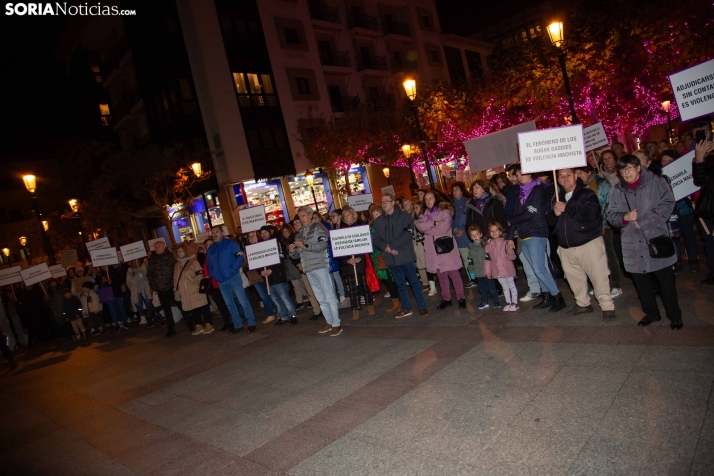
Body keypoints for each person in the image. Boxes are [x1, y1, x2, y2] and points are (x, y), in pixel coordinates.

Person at [606, 154, 682, 329]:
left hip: (655, 239)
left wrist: (646, 220)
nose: (626, 172)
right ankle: (652, 313)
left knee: (666, 283)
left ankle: (674, 315)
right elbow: (611, 215)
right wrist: (624, 217)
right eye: (623, 169)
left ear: (639, 168)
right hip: (632, 243)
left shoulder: (656, 182)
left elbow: (668, 203)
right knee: (642, 284)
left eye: (630, 168)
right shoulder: (617, 190)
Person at [549, 169, 616, 320]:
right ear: (557, 180)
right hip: (566, 247)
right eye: (561, 176)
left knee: (599, 276)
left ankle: (607, 306)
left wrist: (568, 208)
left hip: (588, 243)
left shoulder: (586, 193)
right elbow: (551, 222)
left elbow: (592, 214)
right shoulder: (557, 197)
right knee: (574, 278)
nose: (564, 179)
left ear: (575, 176)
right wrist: (554, 214)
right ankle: (583, 303)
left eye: (568, 175)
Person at [506, 164, 567, 312]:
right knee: (535, 268)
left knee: (540, 269)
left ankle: (558, 297)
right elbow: (515, 213)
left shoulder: (539, 190)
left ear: (531, 174)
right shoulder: (520, 192)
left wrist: (512, 220)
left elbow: (530, 212)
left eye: (522, 173)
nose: (519, 177)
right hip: (523, 235)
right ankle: (547, 296)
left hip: (536, 233)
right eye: (517, 174)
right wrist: (509, 237)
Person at [373, 193, 428, 318]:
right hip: (391, 258)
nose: (384, 204)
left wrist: (392, 246)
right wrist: (385, 247)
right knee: (400, 284)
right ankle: (406, 308)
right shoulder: (379, 221)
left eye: (386, 201)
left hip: (404, 255)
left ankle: (422, 306)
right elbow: (375, 238)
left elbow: (407, 234)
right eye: (382, 202)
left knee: (414, 281)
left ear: (393, 202)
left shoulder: (404, 216)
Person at [289, 206, 342, 336]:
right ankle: (329, 321)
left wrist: (306, 246)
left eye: (303, 216)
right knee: (320, 298)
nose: (301, 219)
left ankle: (336, 323)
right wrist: (292, 251)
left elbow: (323, 245)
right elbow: (296, 256)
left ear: (310, 215)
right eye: (299, 216)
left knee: (329, 296)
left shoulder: (318, 227)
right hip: (308, 269)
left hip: (320, 266)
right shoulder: (299, 233)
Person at [574, 165, 622, 298]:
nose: (577, 176)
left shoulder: (601, 183)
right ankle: (600, 285)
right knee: (595, 259)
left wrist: (601, 220)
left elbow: (611, 203)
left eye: (580, 172)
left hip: (604, 225)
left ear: (588, 172)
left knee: (608, 255)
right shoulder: (580, 188)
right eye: (575, 173)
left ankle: (616, 285)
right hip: (588, 228)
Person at [416, 190, 466, 310]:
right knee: (441, 275)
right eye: (426, 199)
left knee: (453, 274)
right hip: (433, 250)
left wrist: (429, 229)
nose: (428, 201)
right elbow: (419, 226)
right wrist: (433, 223)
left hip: (445, 248)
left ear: (436, 199)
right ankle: (446, 299)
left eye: (430, 198)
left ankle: (461, 298)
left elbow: (445, 226)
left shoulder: (444, 211)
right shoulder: (424, 214)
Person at [206, 225, 257, 334]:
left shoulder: (230, 244)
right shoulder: (211, 248)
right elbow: (209, 263)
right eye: (213, 232)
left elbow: (240, 257)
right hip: (221, 281)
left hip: (233, 278)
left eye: (216, 232)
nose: (214, 234)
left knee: (242, 300)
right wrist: (213, 274)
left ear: (222, 233)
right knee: (229, 303)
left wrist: (232, 270)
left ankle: (251, 322)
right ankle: (238, 324)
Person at [661, 150, 700, 272]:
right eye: (664, 161)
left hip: (684, 210)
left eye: (669, 161)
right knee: (674, 237)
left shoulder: (682, 172)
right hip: (670, 213)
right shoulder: (660, 177)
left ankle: (693, 260)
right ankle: (676, 261)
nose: (667, 163)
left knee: (689, 236)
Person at [337, 206, 374, 320]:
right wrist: (347, 260)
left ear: (353, 215)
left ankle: (369, 304)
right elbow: (339, 248)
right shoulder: (340, 231)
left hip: (360, 262)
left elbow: (366, 245)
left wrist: (360, 258)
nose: (346, 218)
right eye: (344, 216)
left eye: (348, 215)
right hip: (349, 264)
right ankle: (355, 308)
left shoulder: (361, 227)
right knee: (352, 288)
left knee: (364, 284)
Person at [259, 226, 298, 326]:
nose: (264, 235)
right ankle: (283, 316)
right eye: (262, 233)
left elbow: (282, 257)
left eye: (265, 232)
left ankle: (293, 315)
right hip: (268, 278)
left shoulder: (277, 243)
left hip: (278, 276)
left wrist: (272, 269)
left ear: (270, 232)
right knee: (275, 299)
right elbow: (257, 261)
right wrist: (260, 271)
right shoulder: (259, 246)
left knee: (284, 297)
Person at [174, 242, 214, 335]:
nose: (179, 253)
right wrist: (177, 289)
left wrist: (196, 285)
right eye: (177, 251)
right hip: (184, 291)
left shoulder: (193, 261)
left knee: (202, 306)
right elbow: (175, 278)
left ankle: (209, 324)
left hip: (194, 289)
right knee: (192, 308)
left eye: (181, 251)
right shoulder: (177, 265)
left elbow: (199, 274)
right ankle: (198, 325)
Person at [692, 117, 714, 285]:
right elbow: (699, 181)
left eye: (703, 129)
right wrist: (699, 160)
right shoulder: (697, 153)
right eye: (696, 130)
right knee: (709, 240)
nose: (699, 132)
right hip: (708, 205)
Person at [368, 205, 402, 310]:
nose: (376, 217)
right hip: (379, 256)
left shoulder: (387, 224)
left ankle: (400, 300)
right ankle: (395, 300)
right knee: (387, 279)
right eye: (374, 216)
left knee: (394, 277)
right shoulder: (372, 227)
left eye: (377, 214)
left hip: (389, 254)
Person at [290, 218, 324, 320]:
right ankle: (316, 311)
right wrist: (297, 263)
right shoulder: (295, 237)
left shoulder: (310, 233)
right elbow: (294, 254)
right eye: (294, 223)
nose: (296, 224)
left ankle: (324, 308)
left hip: (313, 264)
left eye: (297, 222)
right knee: (309, 290)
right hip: (303, 267)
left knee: (319, 288)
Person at [246, 231, 280, 324]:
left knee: (272, 294)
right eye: (249, 237)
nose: (251, 238)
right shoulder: (248, 250)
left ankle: (278, 311)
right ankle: (270, 313)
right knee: (264, 296)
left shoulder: (264, 246)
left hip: (266, 275)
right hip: (255, 277)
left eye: (253, 236)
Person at [201, 238, 233, 331]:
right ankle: (227, 322)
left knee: (226, 303)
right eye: (207, 245)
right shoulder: (207, 256)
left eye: (211, 244)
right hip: (212, 285)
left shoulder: (217, 255)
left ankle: (232, 321)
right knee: (220, 304)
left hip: (219, 282)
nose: (209, 246)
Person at [484, 222, 518, 311]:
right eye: (492, 231)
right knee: (504, 287)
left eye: (496, 230)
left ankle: (515, 303)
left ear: (500, 231)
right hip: (497, 271)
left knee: (511, 286)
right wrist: (488, 272)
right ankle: (508, 302)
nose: (494, 233)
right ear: (489, 232)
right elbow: (487, 260)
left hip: (507, 269)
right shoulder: (488, 246)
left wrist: (510, 251)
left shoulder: (506, 242)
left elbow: (512, 257)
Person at [147, 240, 178, 337]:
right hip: (160, 288)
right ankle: (170, 328)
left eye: (159, 247)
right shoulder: (153, 259)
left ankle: (190, 323)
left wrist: (174, 283)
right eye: (155, 247)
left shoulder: (170, 256)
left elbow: (175, 269)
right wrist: (154, 286)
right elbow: (150, 274)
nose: (157, 249)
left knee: (180, 304)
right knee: (166, 309)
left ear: (164, 247)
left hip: (171, 286)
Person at [467, 226, 499, 310]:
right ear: (470, 237)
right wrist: (472, 273)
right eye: (473, 235)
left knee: (492, 288)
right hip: (478, 273)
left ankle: (496, 301)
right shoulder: (471, 248)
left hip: (488, 272)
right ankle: (485, 301)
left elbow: (491, 257)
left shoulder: (486, 245)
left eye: (477, 234)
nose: (475, 237)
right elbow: (470, 262)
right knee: (482, 289)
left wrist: (493, 269)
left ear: (481, 234)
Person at [450, 182, 473, 288]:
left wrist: (463, 228)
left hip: (469, 233)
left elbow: (469, 217)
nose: (455, 192)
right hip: (458, 236)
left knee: (474, 256)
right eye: (453, 190)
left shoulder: (467, 202)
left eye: (457, 189)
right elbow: (449, 220)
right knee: (465, 258)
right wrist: (455, 229)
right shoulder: (450, 205)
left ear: (462, 190)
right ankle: (472, 278)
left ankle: (480, 276)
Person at [126, 259, 154, 327]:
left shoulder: (143, 268)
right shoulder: (130, 271)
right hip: (136, 290)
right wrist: (132, 288)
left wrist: (143, 276)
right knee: (138, 305)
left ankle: (150, 318)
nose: (134, 264)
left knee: (149, 304)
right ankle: (142, 317)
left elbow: (148, 276)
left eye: (135, 262)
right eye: (133, 263)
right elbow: (128, 282)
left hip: (145, 289)